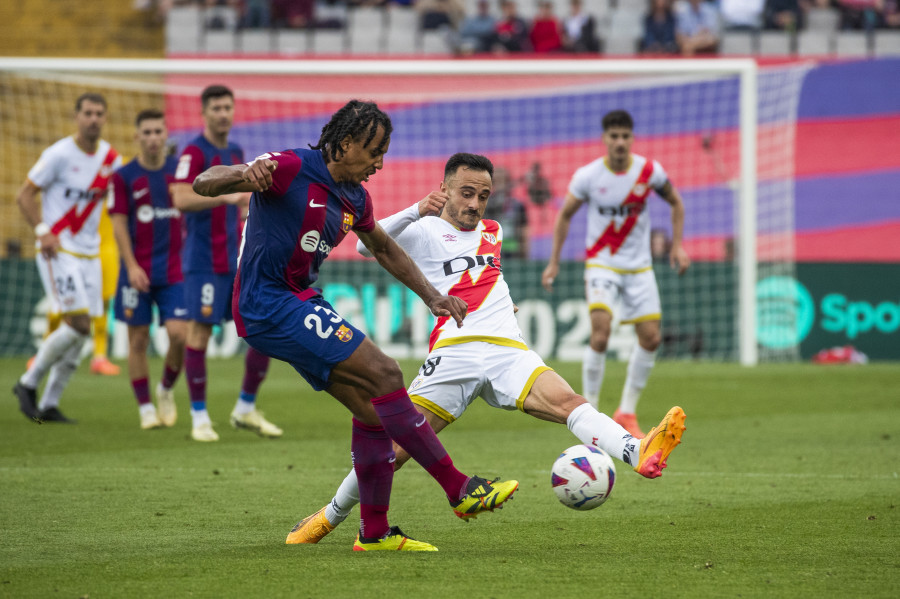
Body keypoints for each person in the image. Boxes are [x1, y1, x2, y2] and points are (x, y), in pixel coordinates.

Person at [286, 153, 687, 545]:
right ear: (444, 189)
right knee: (395, 449)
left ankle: (636, 452)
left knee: (569, 401)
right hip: (455, 350)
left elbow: (481, 273)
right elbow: (364, 247)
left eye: (482, 195)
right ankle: (330, 516)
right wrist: (416, 209)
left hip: (507, 347)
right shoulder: (423, 229)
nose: (474, 204)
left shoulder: (493, 231)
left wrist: (502, 300)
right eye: (465, 193)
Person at [192, 100, 519, 552]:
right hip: (265, 301)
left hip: (299, 299)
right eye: (374, 151)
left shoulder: (355, 198)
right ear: (344, 145)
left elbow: (383, 248)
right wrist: (242, 174)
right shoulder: (289, 166)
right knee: (385, 373)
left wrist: (432, 296)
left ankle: (375, 532)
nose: (380, 163)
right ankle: (459, 489)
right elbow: (203, 182)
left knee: (372, 413)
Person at [541, 110, 690, 438]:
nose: (620, 142)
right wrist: (554, 261)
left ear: (632, 139)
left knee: (651, 338)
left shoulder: (649, 172)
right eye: (614, 136)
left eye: (625, 136)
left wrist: (677, 246)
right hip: (602, 263)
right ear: (605, 139)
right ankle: (590, 413)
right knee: (600, 334)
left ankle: (626, 411)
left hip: (639, 267)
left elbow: (676, 203)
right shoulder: (589, 176)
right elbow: (564, 215)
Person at [171, 85, 281, 442]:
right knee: (199, 333)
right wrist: (226, 197)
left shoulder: (234, 151)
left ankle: (246, 407)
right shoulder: (193, 151)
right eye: (216, 107)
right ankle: (199, 417)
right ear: (204, 112)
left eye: (227, 107)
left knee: (261, 330)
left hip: (237, 257)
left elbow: (244, 200)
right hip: (203, 259)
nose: (223, 113)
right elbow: (180, 198)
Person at [13, 93, 122, 423]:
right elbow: (23, 194)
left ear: (105, 118)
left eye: (99, 113)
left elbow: (126, 190)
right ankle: (27, 383)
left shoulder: (110, 159)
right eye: (88, 113)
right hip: (57, 251)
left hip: (90, 256)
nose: (93, 119)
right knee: (77, 324)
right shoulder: (58, 154)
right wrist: (43, 230)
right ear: (77, 116)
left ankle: (49, 404)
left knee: (81, 332)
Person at [109, 109, 187, 431]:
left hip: (174, 271)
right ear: (137, 136)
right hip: (136, 272)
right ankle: (145, 409)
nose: (154, 138)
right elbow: (118, 224)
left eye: (159, 132)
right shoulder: (124, 176)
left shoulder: (179, 173)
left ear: (165, 134)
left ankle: (165, 389)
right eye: (148, 132)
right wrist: (130, 266)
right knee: (137, 340)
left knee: (179, 335)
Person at [482, 166, 529, 258]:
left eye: (503, 181)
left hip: (513, 253)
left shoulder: (518, 205)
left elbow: (524, 232)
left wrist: (524, 254)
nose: (501, 185)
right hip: (492, 251)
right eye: (497, 181)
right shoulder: (486, 205)